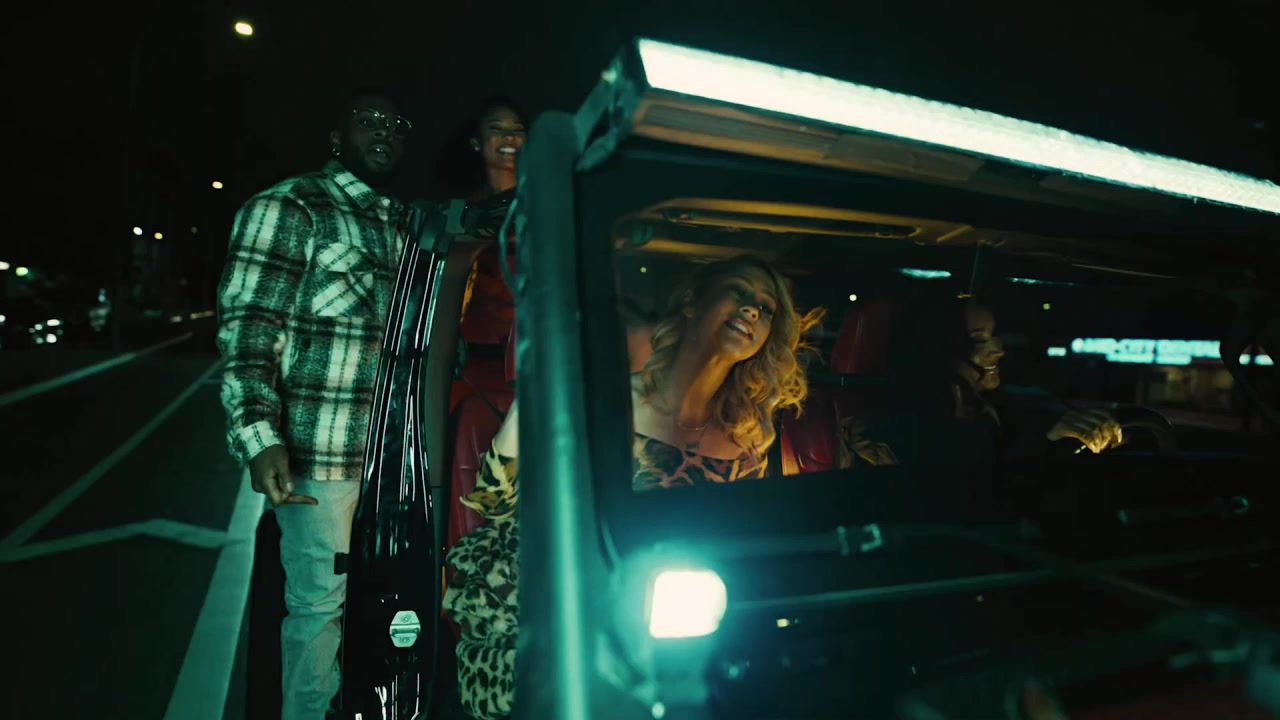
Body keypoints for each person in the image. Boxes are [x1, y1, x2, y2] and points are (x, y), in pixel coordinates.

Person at [442, 256, 823, 719]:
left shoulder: (750, 436)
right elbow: (496, 502)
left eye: (766, 308)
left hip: (674, 612)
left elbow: (736, 539)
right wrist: (535, 395)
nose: (752, 310)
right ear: (692, 301)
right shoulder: (606, 400)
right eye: (739, 292)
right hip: (556, 604)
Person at [216, 88, 412, 719]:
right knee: (318, 607)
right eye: (368, 121)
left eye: (396, 124)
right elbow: (249, 327)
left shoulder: (406, 224)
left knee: (385, 605)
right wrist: (258, 434)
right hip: (321, 457)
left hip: (396, 461)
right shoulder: (290, 206)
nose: (383, 131)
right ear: (336, 137)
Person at [839, 294, 1123, 467]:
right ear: (940, 351)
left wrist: (1058, 430)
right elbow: (976, 490)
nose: (998, 350)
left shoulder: (987, 406)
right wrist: (1045, 441)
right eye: (978, 340)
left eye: (994, 336)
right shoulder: (902, 429)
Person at [458, 96, 529, 346]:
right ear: (476, 143)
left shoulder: (547, 204)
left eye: (517, 130)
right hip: (481, 349)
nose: (509, 137)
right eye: (496, 129)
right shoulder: (465, 214)